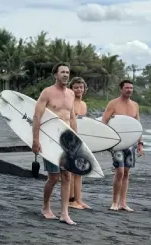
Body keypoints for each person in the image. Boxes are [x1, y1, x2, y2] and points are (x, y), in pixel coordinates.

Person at [32, 62, 77, 226]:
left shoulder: (71, 94)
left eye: (67, 72)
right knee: (53, 177)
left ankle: (65, 213)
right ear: (56, 75)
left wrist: (76, 140)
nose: (65, 74)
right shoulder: (47, 93)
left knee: (67, 176)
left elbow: (72, 118)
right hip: (50, 139)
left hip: (65, 141)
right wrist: (36, 140)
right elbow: (37, 117)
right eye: (62, 72)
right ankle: (46, 207)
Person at [102, 79, 144, 211]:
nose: (129, 90)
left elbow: (137, 126)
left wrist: (140, 143)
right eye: (127, 88)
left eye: (131, 88)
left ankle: (123, 202)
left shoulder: (135, 105)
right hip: (117, 143)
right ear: (121, 89)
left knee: (126, 172)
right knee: (119, 171)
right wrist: (106, 142)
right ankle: (114, 202)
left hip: (130, 143)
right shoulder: (113, 103)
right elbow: (104, 122)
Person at [68, 77, 91, 210]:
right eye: (76, 87)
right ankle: (71, 200)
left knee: (79, 171)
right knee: (71, 170)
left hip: (80, 140)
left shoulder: (84, 105)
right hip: (70, 139)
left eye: (81, 87)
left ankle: (79, 199)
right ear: (71, 88)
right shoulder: (69, 102)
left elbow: (85, 123)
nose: (79, 89)